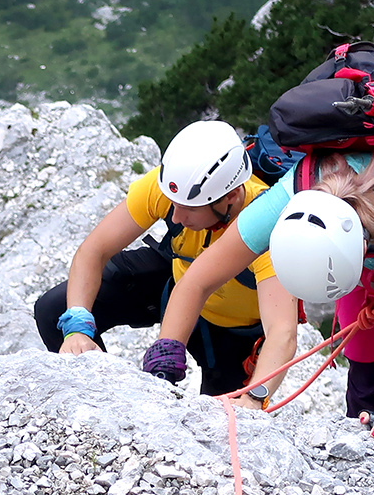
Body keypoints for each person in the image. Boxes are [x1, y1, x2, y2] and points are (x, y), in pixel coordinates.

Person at [148, 142, 374, 464]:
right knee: (368, 366)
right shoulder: (287, 196)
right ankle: (373, 430)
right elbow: (198, 280)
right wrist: (168, 349)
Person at [34, 120, 301, 399]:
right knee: (54, 311)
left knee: (224, 417)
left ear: (231, 196)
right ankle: (96, 401)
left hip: (233, 334)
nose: (175, 217)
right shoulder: (176, 188)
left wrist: (254, 398)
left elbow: (282, 333)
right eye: (173, 204)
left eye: (188, 209)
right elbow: (93, 251)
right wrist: (77, 326)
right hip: (173, 283)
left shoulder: (269, 228)